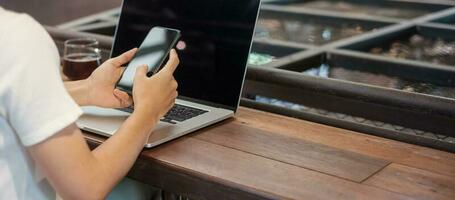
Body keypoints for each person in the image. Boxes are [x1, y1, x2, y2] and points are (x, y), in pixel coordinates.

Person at [0, 7, 179, 200]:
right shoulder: (17, 38)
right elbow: (85, 190)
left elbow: (13, 96)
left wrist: (89, 89)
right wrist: (148, 112)